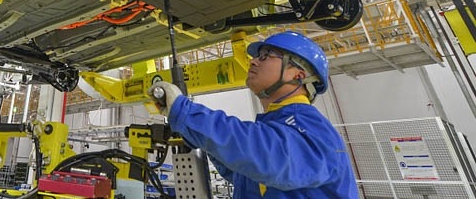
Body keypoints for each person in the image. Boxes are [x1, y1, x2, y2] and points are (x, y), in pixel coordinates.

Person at [148, 31, 357, 198]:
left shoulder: (313, 129)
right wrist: (198, 135)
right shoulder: (274, 127)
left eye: (266, 56)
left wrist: (186, 113)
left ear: (298, 74)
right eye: (257, 56)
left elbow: (264, 154)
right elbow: (242, 173)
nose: (253, 61)